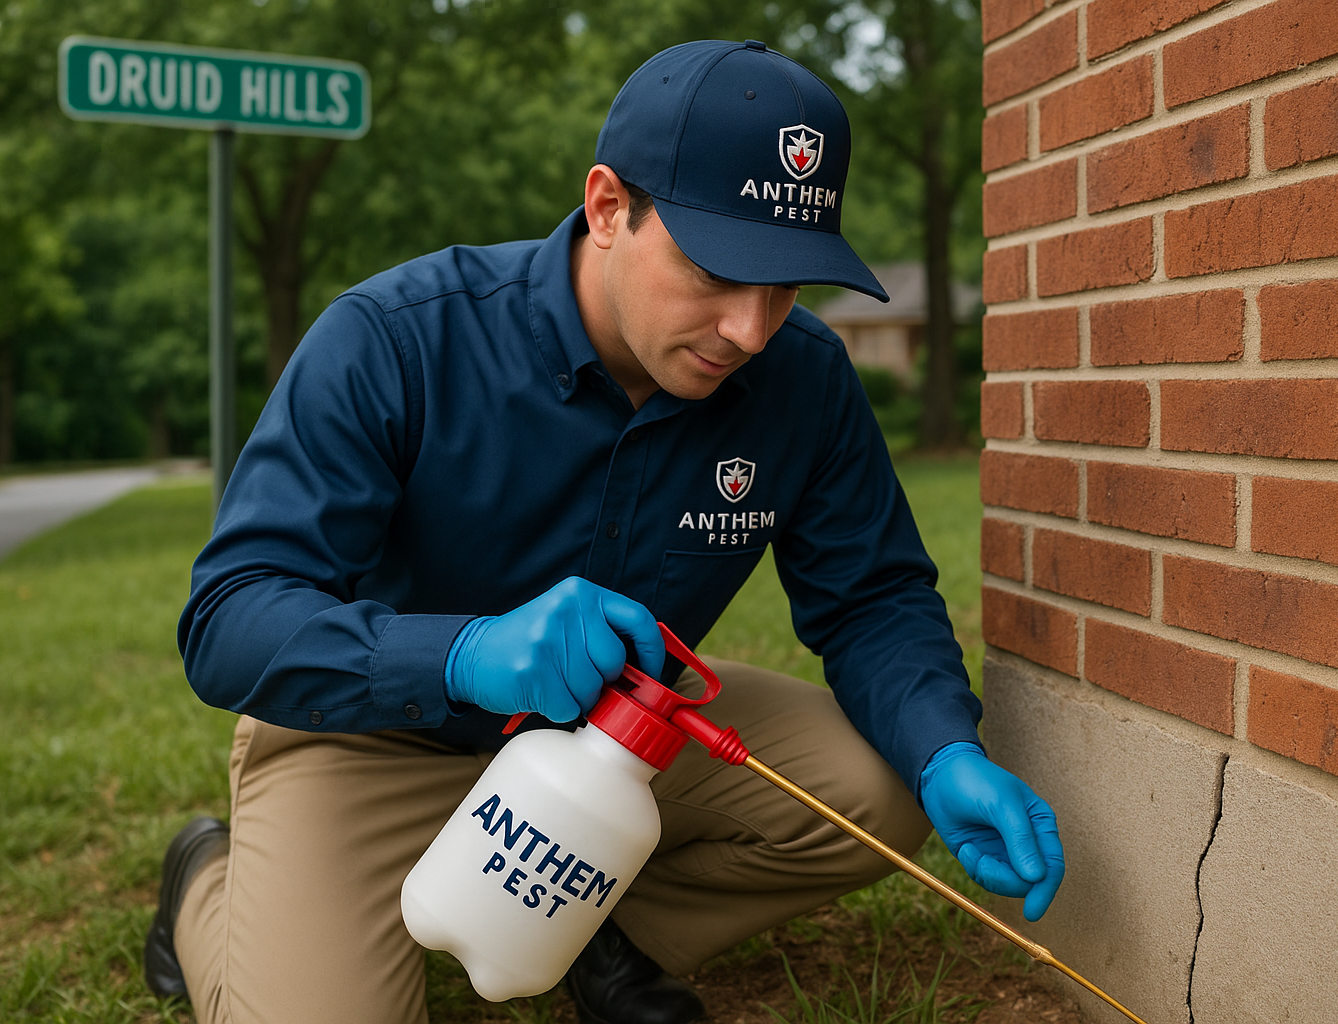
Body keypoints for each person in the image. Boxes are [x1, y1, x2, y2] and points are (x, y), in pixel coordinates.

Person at [149, 38, 1064, 1024]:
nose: (751, 329)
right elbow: (229, 615)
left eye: (787, 281)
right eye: (717, 270)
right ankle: (204, 885)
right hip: (369, 744)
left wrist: (944, 750)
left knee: (872, 790)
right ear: (607, 207)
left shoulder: (801, 378)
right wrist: (462, 653)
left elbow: (873, 596)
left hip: (617, 747)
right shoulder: (395, 340)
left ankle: (589, 937)